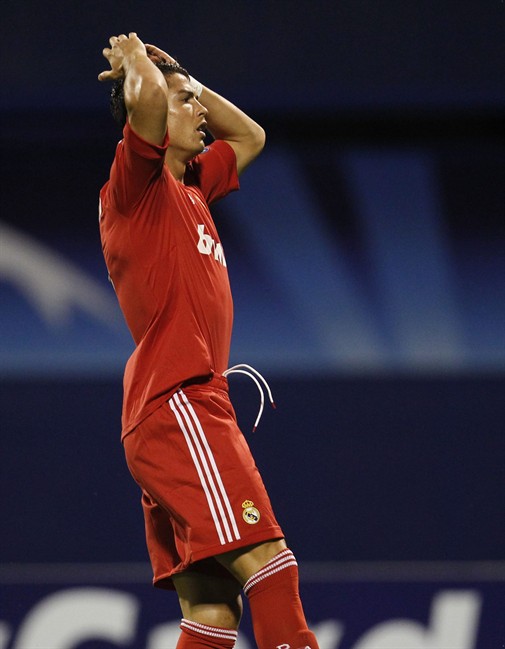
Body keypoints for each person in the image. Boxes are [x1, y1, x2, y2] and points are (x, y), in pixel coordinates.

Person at [98, 32, 319, 649]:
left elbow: (250, 136)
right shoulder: (136, 191)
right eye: (186, 104)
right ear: (152, 125)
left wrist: (181, 78)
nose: (202, 112)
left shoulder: (194, 186)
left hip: (172, 410)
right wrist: (140, 63)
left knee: (213, 609)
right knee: (272, 566)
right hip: (180, 403)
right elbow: (142, 109)